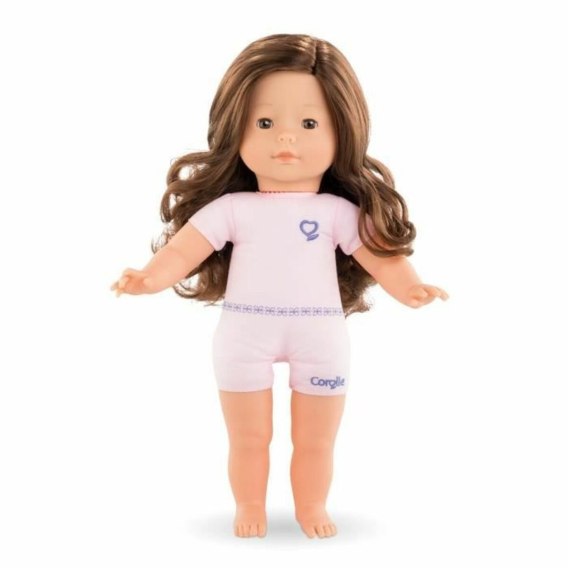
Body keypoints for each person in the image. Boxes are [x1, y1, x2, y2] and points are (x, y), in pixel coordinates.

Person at [110, 33, 449, 539]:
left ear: (342, 132)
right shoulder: (231, 209)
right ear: (237, 129)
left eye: (309, 124)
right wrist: (150, 277)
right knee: (249, 437)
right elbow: (183, 251)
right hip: (244, 334)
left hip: (320, 335)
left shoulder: (338, 212)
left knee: (317, 440)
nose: (285, 139)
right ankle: (250, 504)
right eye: (265, 123)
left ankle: (312, 507)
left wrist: (410, 288)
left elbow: (379, 254)